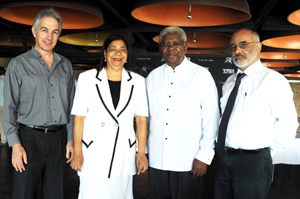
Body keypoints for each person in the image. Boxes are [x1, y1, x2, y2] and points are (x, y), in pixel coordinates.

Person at [214, 28, 299, 199]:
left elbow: (288, 122)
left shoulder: (273, 80)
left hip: (253, 161)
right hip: (224, 158)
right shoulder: (229, 82)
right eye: (233, 46)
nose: (237, 50)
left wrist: (268, 152)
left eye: (243, 44)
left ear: (259, 47)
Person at [2, 8, 75, 199]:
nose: (49, 36)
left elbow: (71, 106)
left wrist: (70, 138)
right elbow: (9, 108)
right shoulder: (18, 65)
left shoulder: (65, 65)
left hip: (58, 139)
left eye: (55, 31)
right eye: (44, 30)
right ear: (34, 31)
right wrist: (15, 145)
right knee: (24, 193)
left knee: (55, 193)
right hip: (28, 139)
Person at [70, 34, 148, 199]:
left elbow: (141, 119)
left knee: (120, 193)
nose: (118, 53)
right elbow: (79, 118)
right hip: (93, 151)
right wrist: (78, 151)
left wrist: (141, 153)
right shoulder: (87, 78)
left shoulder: (138, 81)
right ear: (105, 54)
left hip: (123, 153)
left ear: (127, 55)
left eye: (122, 50)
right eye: (113, 49)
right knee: (91, 194)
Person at [146, 26, 219, 199]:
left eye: (176, 43)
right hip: (157, 159)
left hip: (189, 161)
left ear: (185, 47)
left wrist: (204, 156)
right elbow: (146, 119)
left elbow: (211, 117)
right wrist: (145, 151)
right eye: (166, 44)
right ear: (160, 49)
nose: (171, 48)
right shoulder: (152, 77)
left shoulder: (201, 75)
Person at [0, 67, 7, 146]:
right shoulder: (9, 81)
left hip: (0, 105)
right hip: (10, 105)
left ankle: (4, 140)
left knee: (1, 122)